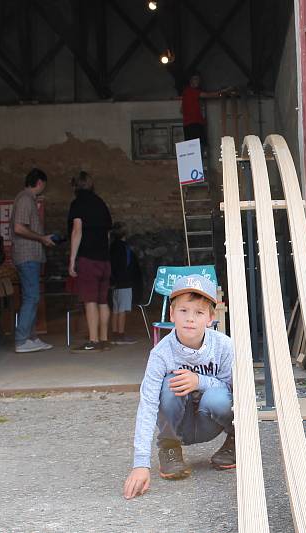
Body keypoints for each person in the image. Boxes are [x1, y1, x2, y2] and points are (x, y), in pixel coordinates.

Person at [123, 274, 235, 500]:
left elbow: (240, 391)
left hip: (211, 421)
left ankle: (235, 441)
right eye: (183, 311)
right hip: (180, 425)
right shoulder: (161, 354)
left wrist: (199, 381)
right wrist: (140, 464)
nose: (190, 319)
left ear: (211, 318)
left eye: (199, 312)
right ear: (172, 314)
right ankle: (170, 448)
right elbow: (147, 404)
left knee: (219, 396)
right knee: (168, 385)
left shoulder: (224, 346)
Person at [68, 171, 113, 353]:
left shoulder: (78, 204)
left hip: (88, 258)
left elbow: (77, 230)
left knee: (90, 300)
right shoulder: (101, 204)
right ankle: (104, 339)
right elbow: (107, 233)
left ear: (75, 186)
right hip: (104, 259)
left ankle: (93, 341)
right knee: (103, 301)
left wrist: (72, 259)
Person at [11, 168, 55, 354]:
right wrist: (41, 238)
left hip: (31, 256)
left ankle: (31, 337)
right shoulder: (25, 199)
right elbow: (19, 228)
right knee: (31, 297)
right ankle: (22, 339)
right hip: (27, 256)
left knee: (32, 297)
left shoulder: (27, 200)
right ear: (39, 183)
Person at [109, 222, 141, 345]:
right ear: (124, 235)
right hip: (125, 283)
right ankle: (121, 335)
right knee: (122, 310)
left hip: (114, 284)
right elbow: (129, 266)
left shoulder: (111, 247)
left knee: (115, 310)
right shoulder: (125, 248)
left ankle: (114, 334)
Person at [180, 73, 225, 152]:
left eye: (198, 79)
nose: (198, 81)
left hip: (190, 124)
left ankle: (195, 163)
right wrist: (222, 92)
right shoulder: (191, 91)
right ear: (190, 81)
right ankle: (197, 163)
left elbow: (181, 110)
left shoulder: (186, 93)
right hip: (194, 124)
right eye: (195, 79)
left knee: (192, 148)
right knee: (197, 148)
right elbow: (208, 95)